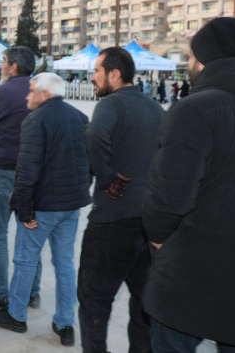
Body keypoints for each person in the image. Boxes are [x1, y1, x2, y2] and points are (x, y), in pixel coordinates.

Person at [142, 18, 235, 351]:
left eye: (191, 56)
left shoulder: (194, 109)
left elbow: (167, 199)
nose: (188, 64)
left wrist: (158, 240)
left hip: (192, 273)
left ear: (204, 61)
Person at [0, 73, 90, 346]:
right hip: (71, 205)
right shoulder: (79, 117)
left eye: (31, 91)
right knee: (65, 264)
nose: (27, 96)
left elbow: (27, 170)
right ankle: (66, 324)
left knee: (25, 259)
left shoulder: (35, 120)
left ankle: (16, 315)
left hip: (44, 206)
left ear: (45, 94)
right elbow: (88, 163)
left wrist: (23, 209)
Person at [79, 47, 165, 353]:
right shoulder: (155, 107)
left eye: (97, 71)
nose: (92, 77)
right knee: (144, 305)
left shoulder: (110, 104)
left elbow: (94, 134)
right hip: (148, 222)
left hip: (112, 221)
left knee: (94, 302)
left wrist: (105, 176)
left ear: (114, 75)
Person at [0, 47, 43, 310]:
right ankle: (32, 292)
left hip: (4, 168)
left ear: (13, 67)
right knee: (31, 231)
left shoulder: (3, 91)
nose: (1, 65)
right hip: (33, 170)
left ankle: (0, 292)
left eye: (4, 61)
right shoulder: (40, 88)